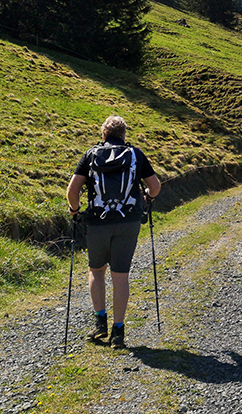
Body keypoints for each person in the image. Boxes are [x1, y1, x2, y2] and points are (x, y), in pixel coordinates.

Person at [66, 115, 161, 349]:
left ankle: (100, 322)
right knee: (120, 275)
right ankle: (118, 331)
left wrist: (75, 210)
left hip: (98, 222)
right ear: (124, 134)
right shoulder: (136, 154)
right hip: (128, 221)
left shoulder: (90, 155)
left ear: (103, 134)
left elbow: (73, 189)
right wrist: (147, 198)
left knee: (96, 270)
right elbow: (155, 186)